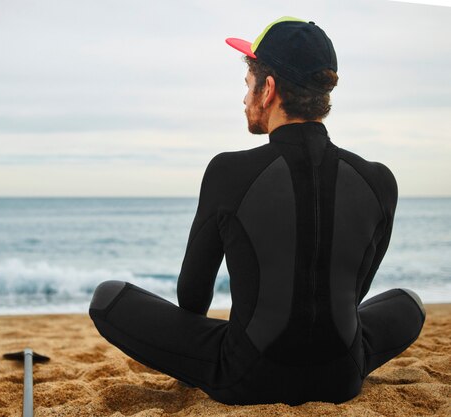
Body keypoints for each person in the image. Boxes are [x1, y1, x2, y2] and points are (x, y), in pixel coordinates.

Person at [88, 16, 426, 405]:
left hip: (249, 376)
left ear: (268, 90)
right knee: (409, 303)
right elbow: (355, 293)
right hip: (343, 373)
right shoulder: (379, 180)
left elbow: (192, 299)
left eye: (248, 85)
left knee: (107, 298)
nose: (244, 97)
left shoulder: (228, 171)